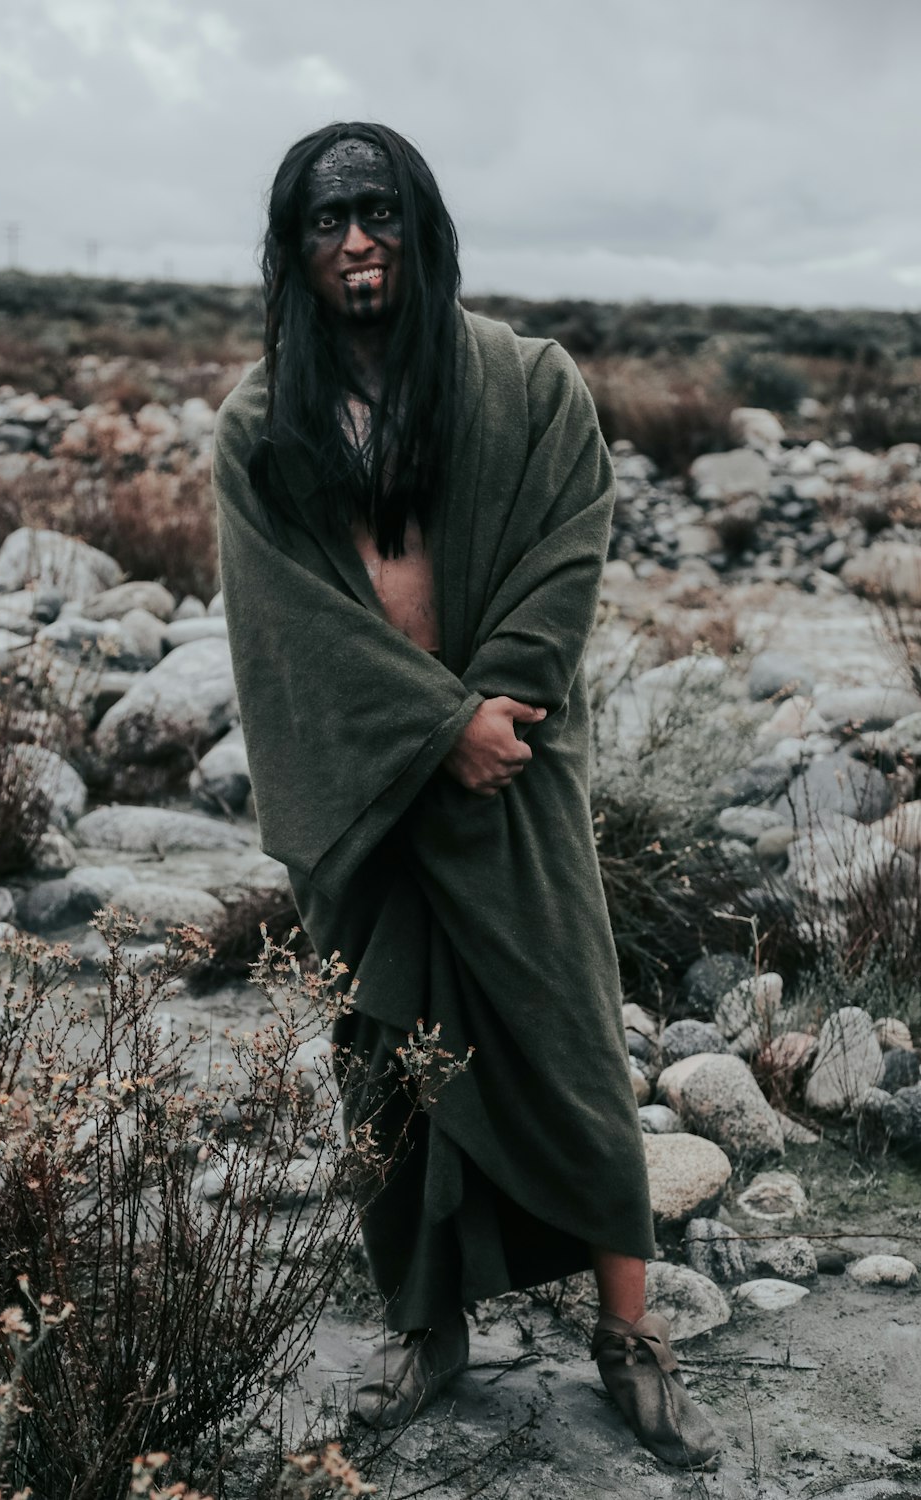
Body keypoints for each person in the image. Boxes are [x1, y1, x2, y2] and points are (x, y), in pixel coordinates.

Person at [212, 121, 721, 1472]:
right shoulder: (265, 421)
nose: (357, 237)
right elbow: (288, 624)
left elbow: (568, 544)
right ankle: (427, 1326)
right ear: (297, 248)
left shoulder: (528, 382)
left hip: (511, 772)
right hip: (376, 794)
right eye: (327, 221)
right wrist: (432, 729)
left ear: (421, 225)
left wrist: (494, 711)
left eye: (378, 211)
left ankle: (630, 1336)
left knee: (566, 1043)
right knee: (384, 1067)